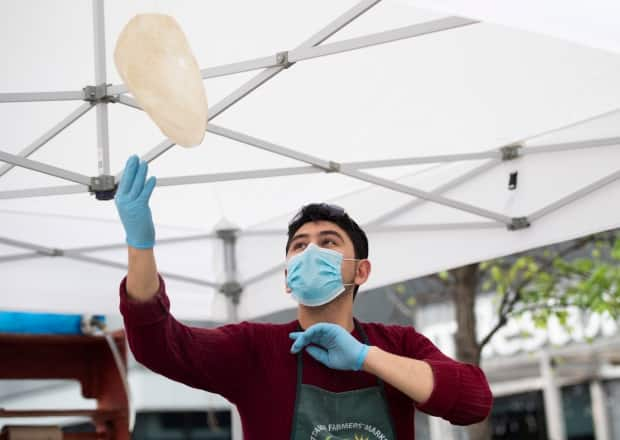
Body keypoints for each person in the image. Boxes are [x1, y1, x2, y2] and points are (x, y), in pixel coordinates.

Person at [115, 155, 493, 439]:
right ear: (287, 279)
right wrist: (140, 248)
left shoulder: (397, 343)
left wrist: (367, 357)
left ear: (361, 270)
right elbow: (157, 345)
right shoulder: (253, 349)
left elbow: (473, 402)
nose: (310, 252)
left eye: (328, 243)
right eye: (299, 246)